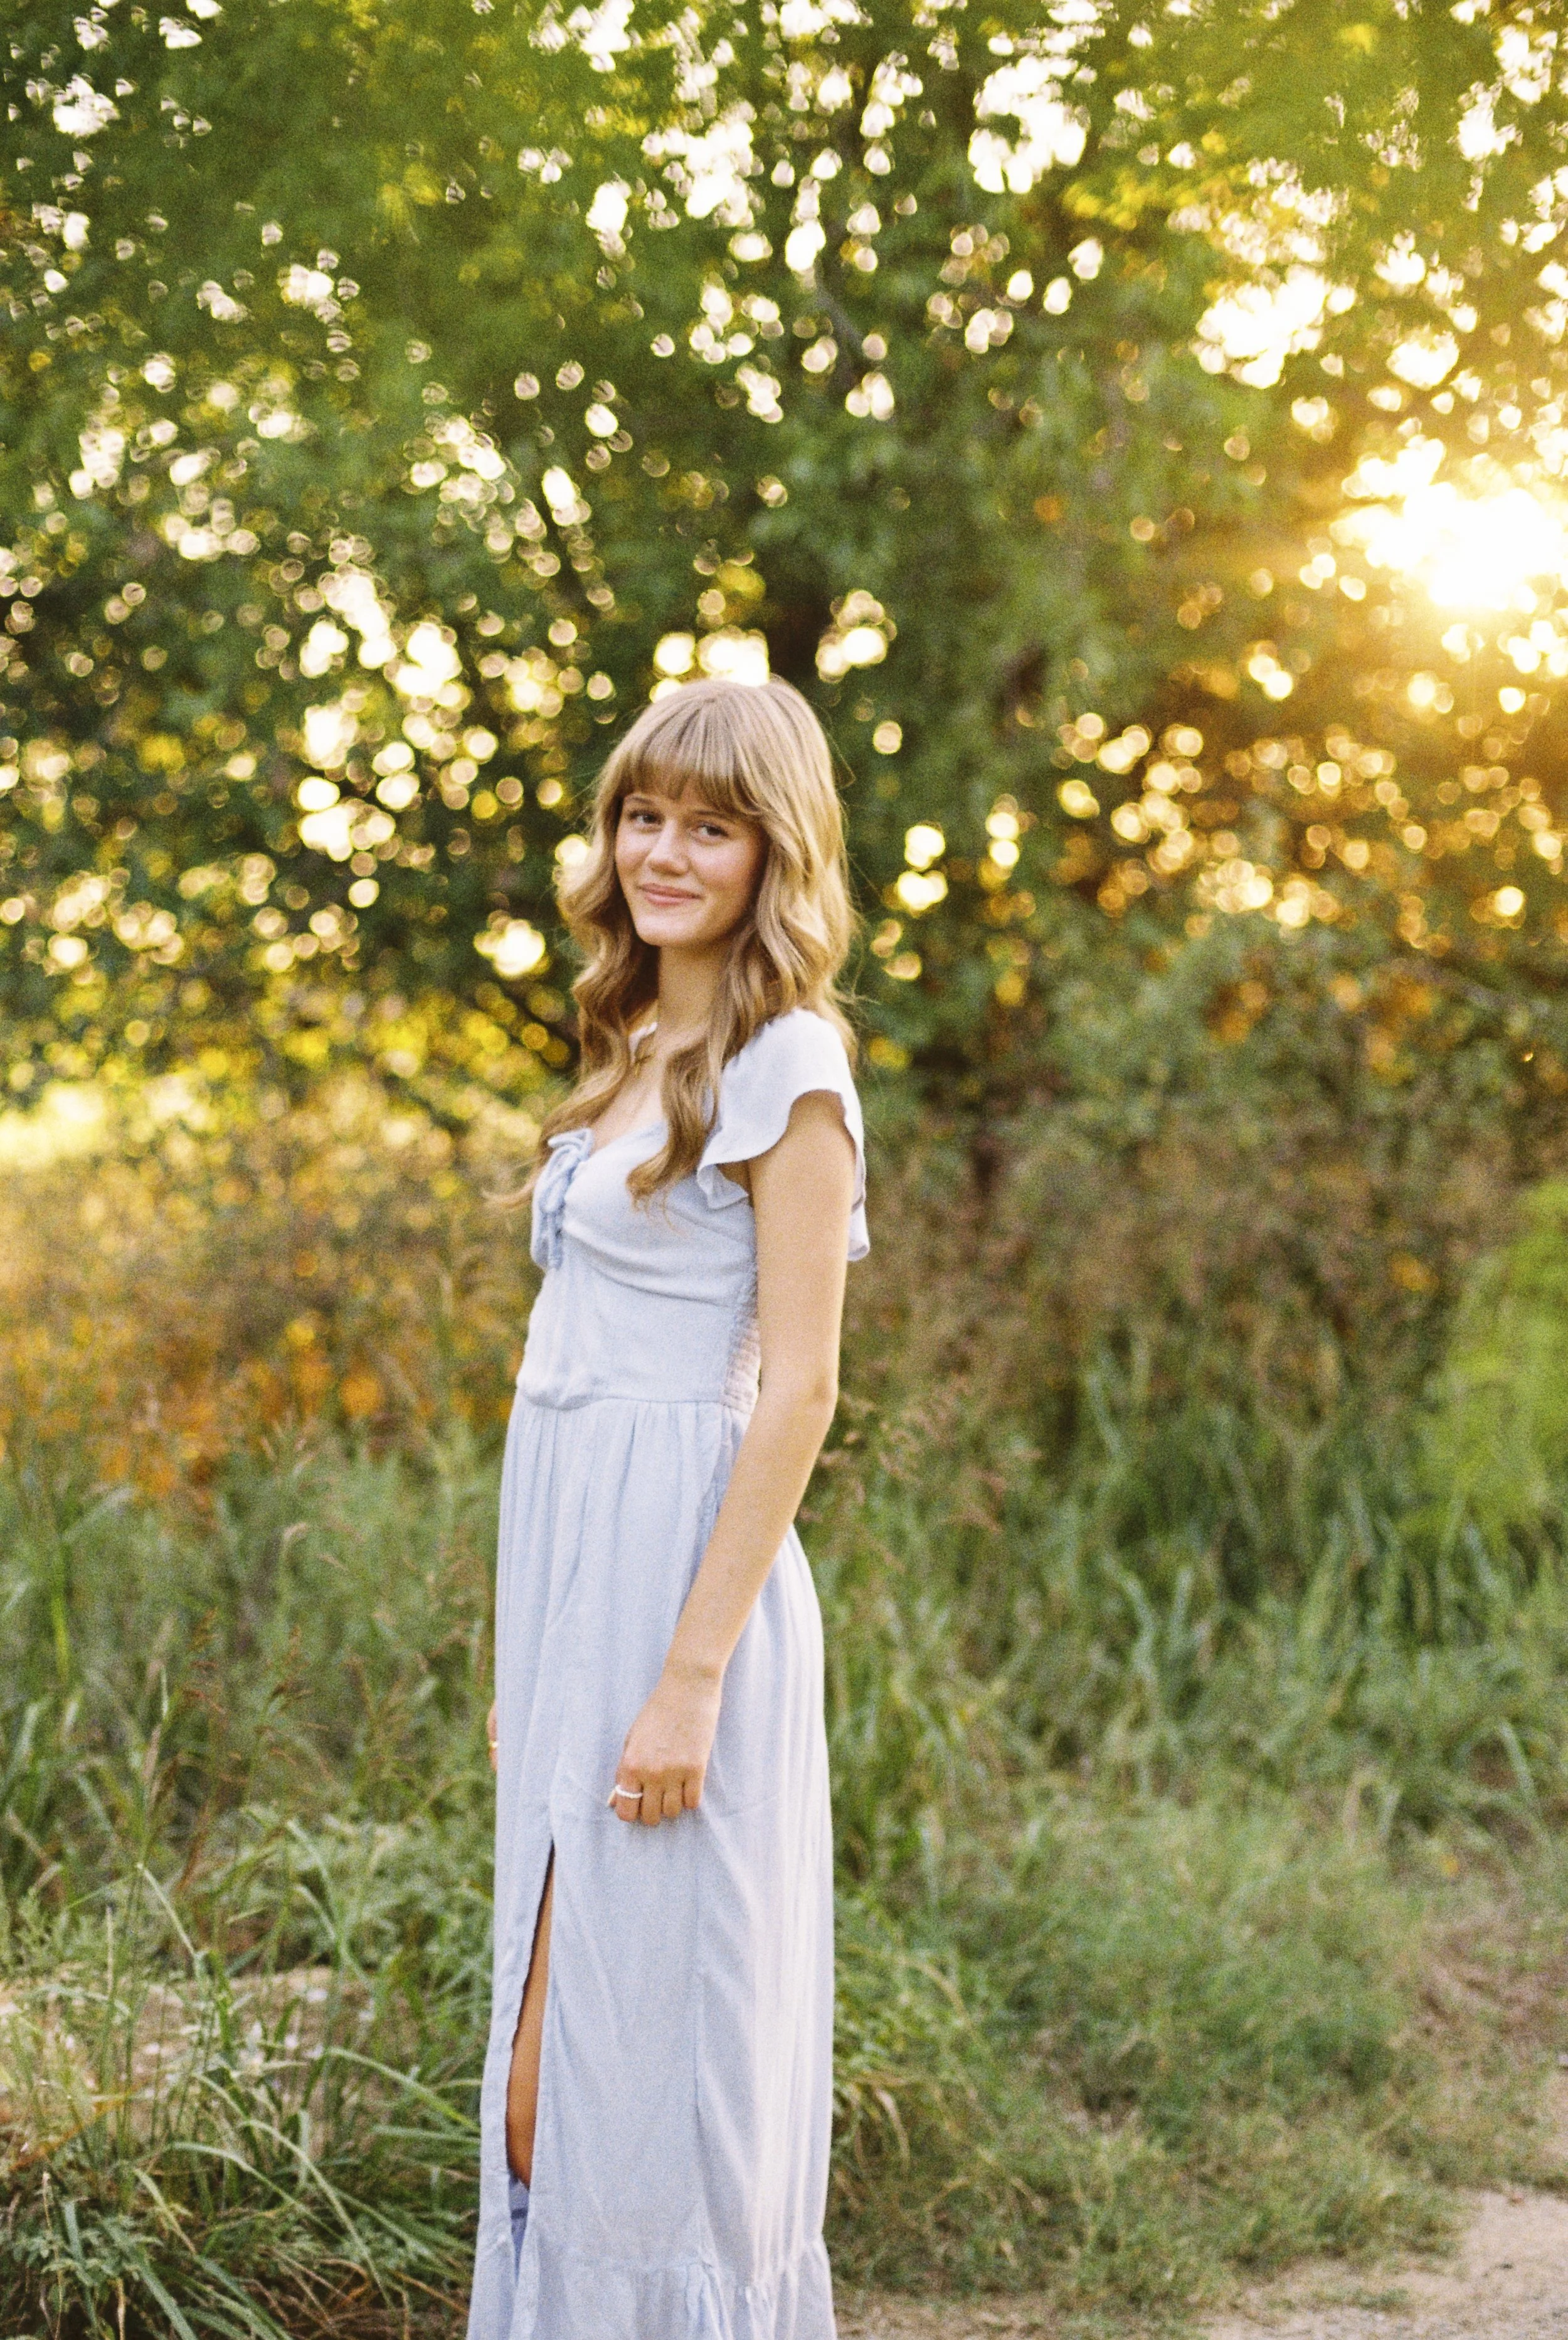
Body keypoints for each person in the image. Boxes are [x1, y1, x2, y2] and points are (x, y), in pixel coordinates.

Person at [467, 675, 868, 2340]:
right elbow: (564, 1362)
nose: (664, 851)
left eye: (708, 824)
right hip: (574, 1579)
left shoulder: (792, 1062)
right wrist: (519, 1655)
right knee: (543, 2045)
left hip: (684, 1591)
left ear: (774, 850)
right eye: (644, 814)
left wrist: (685, 1678)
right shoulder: (632, 1037)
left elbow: (796, 1388)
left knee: (644, 2055)